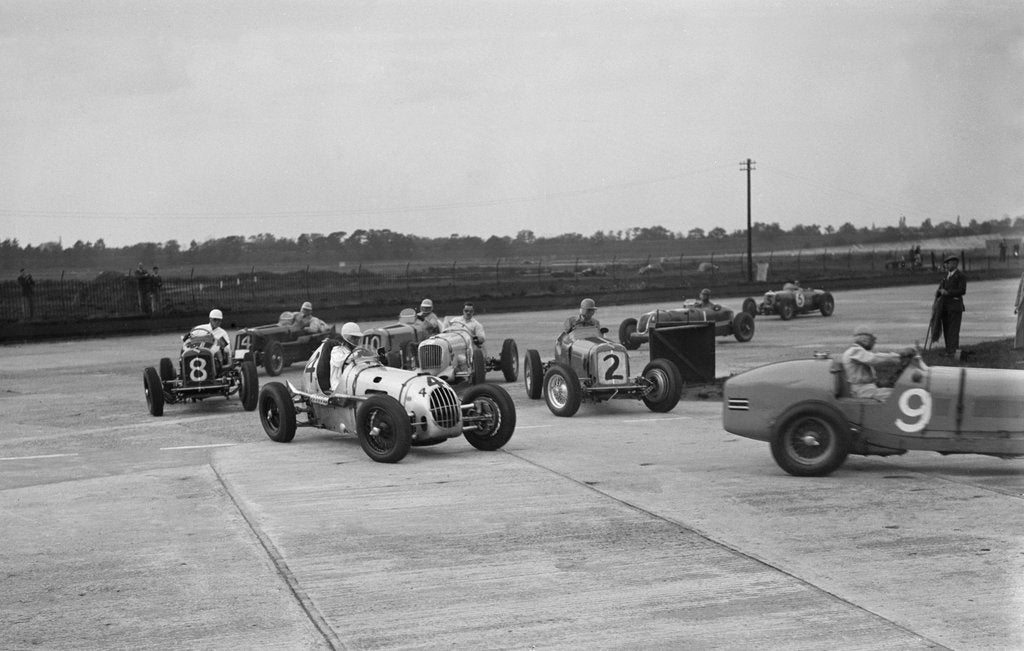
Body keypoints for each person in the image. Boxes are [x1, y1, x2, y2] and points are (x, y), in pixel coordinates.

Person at [841, 325, 914, 401]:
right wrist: (899, 356)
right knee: (899, 396)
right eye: (872, 339)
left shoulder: (859, 351)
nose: (873, 343)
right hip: (862, 391)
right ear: (864, 339)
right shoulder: (854, 351)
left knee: (898, 391)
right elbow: (874, 359)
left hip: (867, 389)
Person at [930, 254, 967, 355]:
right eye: (946, 264)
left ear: (955, 264)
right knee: (947, 329)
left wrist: (948, 292)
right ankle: (949, 350)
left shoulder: (960, 276)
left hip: (955, 306)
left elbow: (962, 290)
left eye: (949, 264)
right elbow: (941, 290)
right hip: (945, 307)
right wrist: (938, 292)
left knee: (953, 330)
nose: (947, 266)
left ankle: (954, 351)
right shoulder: (946, 276)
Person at [328, 322, 364, 391]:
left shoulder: (356, 351)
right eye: (354, 338)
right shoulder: (336, 350)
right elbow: (339, 362)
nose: (357, 340)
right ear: (347, 337)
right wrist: (357, 354)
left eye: (358, 338)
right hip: (338, 386)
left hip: (353, 384)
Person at [1014, 271, 1024, 350]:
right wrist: (1017, 304)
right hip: (1022, 303)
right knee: (1020, 325)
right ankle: (1019, 345)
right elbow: (1020, 289)